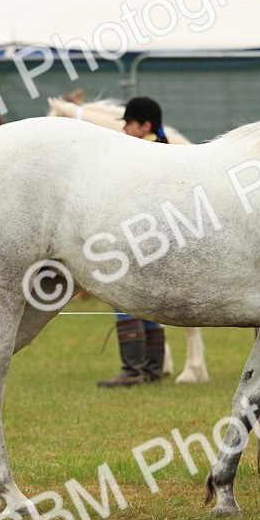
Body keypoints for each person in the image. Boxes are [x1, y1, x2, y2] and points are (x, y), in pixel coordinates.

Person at [97, 96, 169, 387]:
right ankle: (152, 368)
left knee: (122, 296)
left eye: (129, 123)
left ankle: (132, 369)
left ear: (146, 125)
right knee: (149, 303)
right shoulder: (164, 149)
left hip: (139, 236)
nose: (125, 128)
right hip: (161, 238)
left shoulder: (142, 153)